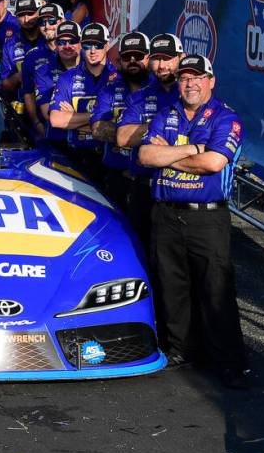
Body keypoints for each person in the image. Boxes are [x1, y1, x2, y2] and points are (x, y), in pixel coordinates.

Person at [137, 54, 250, 389]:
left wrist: (169, 154)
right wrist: (192, 150)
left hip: (208, 217)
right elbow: (145, 156)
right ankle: (182, 351)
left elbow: (213, 163)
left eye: (197, 78)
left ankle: (229, 362)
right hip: (167, 214)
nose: (190, 84)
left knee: (216, 290)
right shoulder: (165, 113)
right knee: (173, 286)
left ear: (210, 81)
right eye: (185, 78)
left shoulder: (226, 118)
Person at [117, 33, 182, 243]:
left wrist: (148, 131)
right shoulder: (140, 95)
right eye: (157, 59)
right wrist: (164, 127)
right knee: (139, 250)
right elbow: (123, 137)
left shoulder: (190, 92)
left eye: (168, 59)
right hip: (144, 188)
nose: (162, 65)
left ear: (180, 58)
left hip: (180, 189)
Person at [90, 31, 152, 209]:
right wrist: (145, 133)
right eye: (127, 56)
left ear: (148, 58)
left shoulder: (160, 90)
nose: (132, 60)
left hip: (149, 181)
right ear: (119, 60)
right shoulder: (108, 90)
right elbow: (98, 130)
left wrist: (120, 129)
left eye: (138, 55)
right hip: (116, 177)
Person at [49, 21, 114, 180]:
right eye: (87, 46)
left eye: (97, 45)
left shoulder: (118, 77)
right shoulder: (67, 77)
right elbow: (56, 120)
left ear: (107, 45)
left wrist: (74, 117)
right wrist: (100, 119)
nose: (92, 51)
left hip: (110, 160)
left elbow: (120, 126)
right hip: (77, 157)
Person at [20, 2, 63, 140]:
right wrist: (36, 122)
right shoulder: (32, 56)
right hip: (46, 127)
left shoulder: (74, 49)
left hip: (75, 123)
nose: (47, 26)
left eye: (51, 21)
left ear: (62, 21)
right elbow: (28, 93)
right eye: (42, 22)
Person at [0, 0, 43, 99]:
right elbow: (5, 83)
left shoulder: (50, 40)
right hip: (22, 106)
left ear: (39, 13)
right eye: (22, 15)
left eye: (31, 13)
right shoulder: (10, 45)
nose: (26, 19)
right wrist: (19, 76)